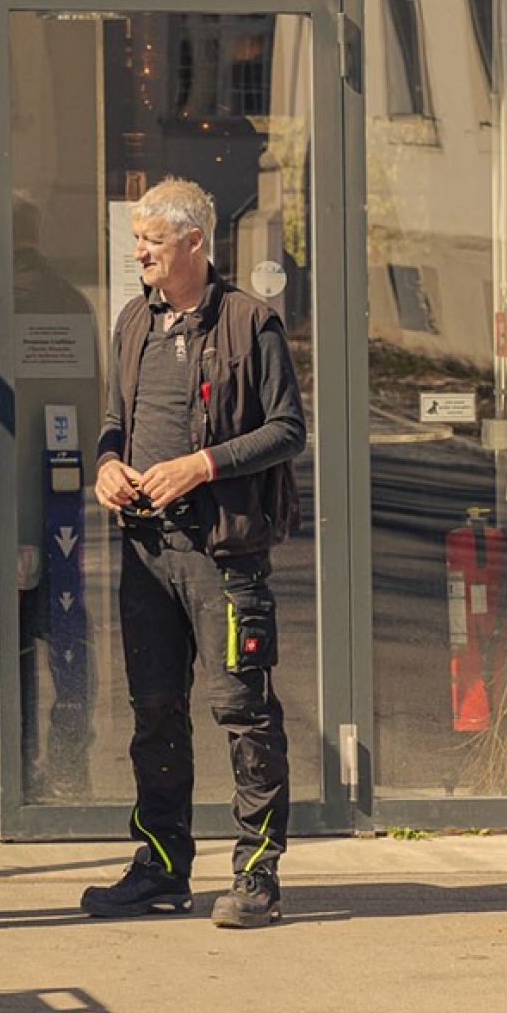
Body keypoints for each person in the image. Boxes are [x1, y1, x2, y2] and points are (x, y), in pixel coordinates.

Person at [80, 178, 306, 929]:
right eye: (137, 237)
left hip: (224, 555)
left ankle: (256, 874)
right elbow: (114, 419)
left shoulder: (252, 321)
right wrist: (107, 463)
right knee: (153, 714)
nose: (138, 250)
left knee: (243, 711)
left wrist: (200, 465)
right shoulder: (131, 323)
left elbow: (286, 429)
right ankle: (160, 866)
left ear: (194, 243)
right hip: (147, 554)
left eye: (152, 239)